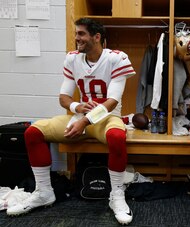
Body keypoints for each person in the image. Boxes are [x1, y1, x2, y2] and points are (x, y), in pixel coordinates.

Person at [6, 18, 135, 225]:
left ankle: (117, 197)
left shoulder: (116, 58)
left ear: (97, 37)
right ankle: (44, 192)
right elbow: (63, 98)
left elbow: (112, 102)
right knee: (33, 132)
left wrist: (84, 121)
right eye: (76, 34)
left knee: (117, 137)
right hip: (80, 116)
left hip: (107, 118)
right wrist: (77, 107)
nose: (77, 38)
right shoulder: (72, 59)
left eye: (81, 34)